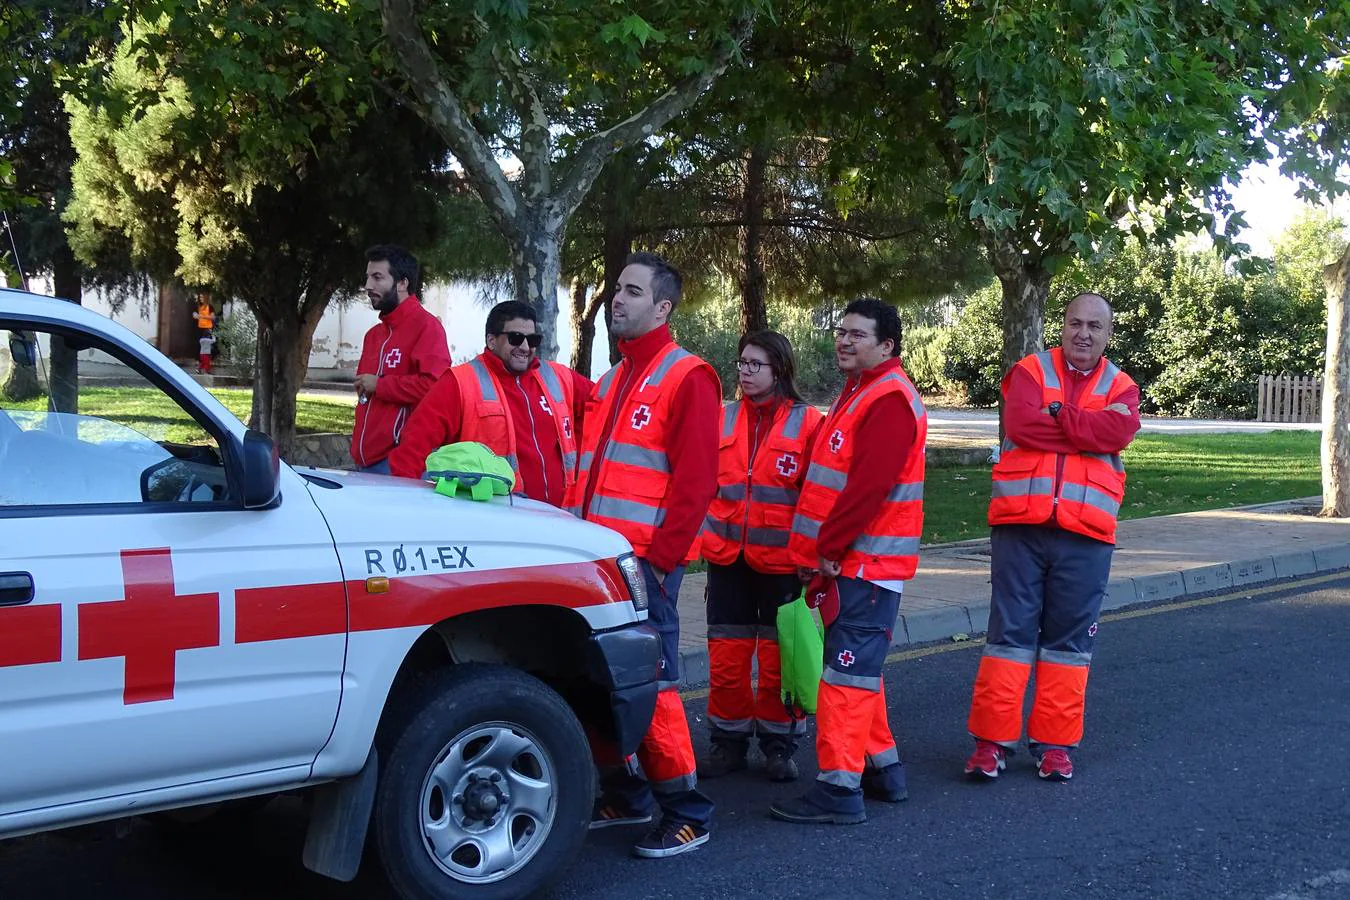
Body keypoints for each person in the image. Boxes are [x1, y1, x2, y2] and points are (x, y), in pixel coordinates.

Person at [564, 251, 721, 858]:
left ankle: (688, 810)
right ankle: (628, 793)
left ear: (662, 307)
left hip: (642, 565)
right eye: (615, 291)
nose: (617, 301)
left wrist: (660, 563)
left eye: (631, 292)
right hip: (600, 562)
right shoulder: (613, 379)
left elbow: (696, 482)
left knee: (653, 687)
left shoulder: (689, 377)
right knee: (601, 678)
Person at [963, 292, 1140, 782]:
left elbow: (1115, 436)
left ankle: (1055, 746)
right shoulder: (1029, 371)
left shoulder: (1123, 386)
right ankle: (991, 743)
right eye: (1074, 323)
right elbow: (1022, 424)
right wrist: (1085, 430)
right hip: (1020, 528)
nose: (1083, 333)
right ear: (1062, 326)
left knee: (1068, 645)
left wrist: (1059, 415)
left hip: (1086, 536)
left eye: (1094, 326)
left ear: (1108, 334)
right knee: (1008, 636)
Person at [769, 296, 927, 826]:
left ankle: (838, 790)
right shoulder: (860, 392)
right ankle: (884, 770)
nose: (844, 340)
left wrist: (829, 551)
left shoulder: (886, 398)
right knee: (858, 674)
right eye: (842, 331)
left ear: (887, 345)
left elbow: (867, 489)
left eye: (858, 334)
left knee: (845, 678)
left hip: (864, 565)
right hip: (857, 564)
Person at [699, 330, 823, 784]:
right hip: (728, 559)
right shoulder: (721, 418)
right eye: (742, 363)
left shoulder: (809, 423)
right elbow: (702, 485)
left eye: (756, 365)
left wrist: (812, 558)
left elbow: (817, 496)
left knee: (780, 659)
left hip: (785, 564)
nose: (745, 372)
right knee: (727, 658)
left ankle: (778, 745)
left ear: (780, 370)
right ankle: (727, 743)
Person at [388, 301, 592, 505]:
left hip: (561, 519)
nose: (525, 347)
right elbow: (412, 449)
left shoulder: (559, 377)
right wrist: (406, 506)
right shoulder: (459, 382)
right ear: (492, 341)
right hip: (494, 520)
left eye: (532, 339)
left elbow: (603, 405)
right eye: (515, 338)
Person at [350, 244, 450, 474]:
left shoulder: (428, 328)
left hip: (398, 462)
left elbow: (435, 388)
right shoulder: (373, 335)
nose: (368, 286)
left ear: (403, 283)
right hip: (364, 460)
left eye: (377, 278)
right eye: (368, 277)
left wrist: (380, 385)